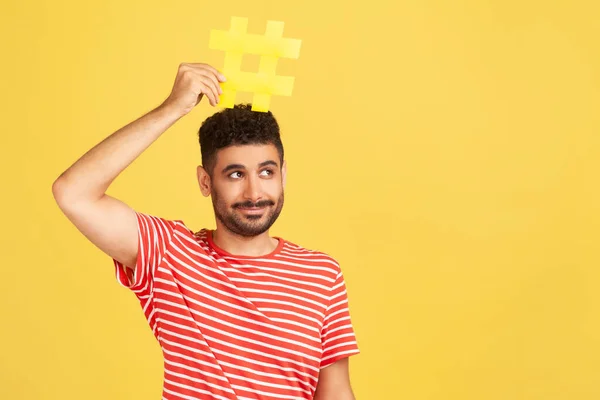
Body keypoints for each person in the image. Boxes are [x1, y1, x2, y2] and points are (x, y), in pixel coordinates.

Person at [52, 62, 360, 399]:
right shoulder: (170, 254)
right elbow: (73, 192)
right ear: (205, 181)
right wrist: (172, 108)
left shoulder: (321, 274)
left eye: (267, 172)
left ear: (283, 175)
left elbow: (335, 392)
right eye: (236, 175)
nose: (254, 193)